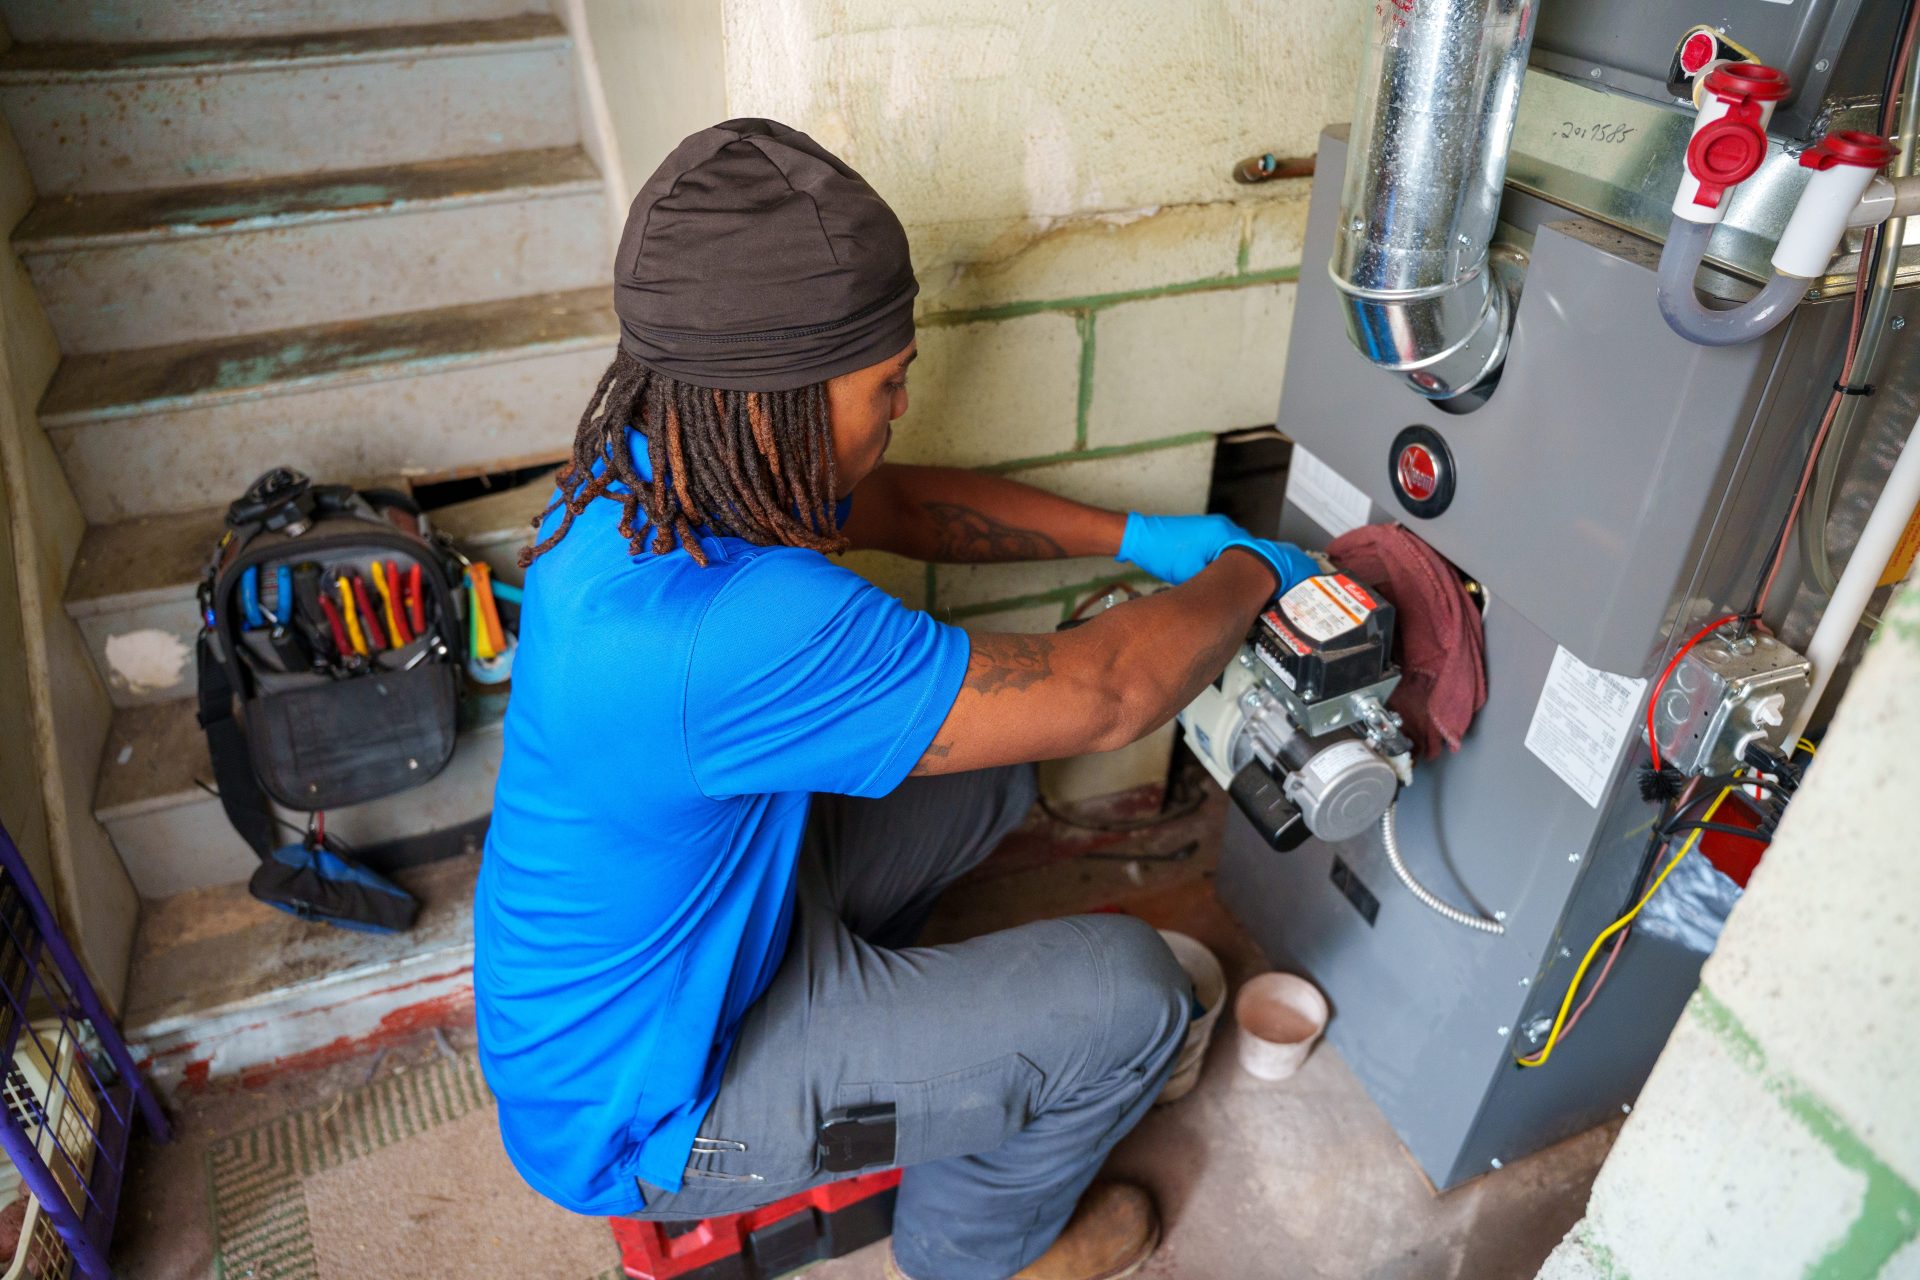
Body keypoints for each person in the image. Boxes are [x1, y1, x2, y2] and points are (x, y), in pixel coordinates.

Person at [474, 119, 1320, 1280]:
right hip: (648, 1104)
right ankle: (980, 1252)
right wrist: (1252, 574)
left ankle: (908, 1047)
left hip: (687, 947)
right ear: (775, 406)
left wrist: (1141, 535)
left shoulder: (659, 465)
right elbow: (1109, 692)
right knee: (1134, 997)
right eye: (887, 383)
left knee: (988, 771)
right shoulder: (731, 629)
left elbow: (899, 505)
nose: (903, 406)